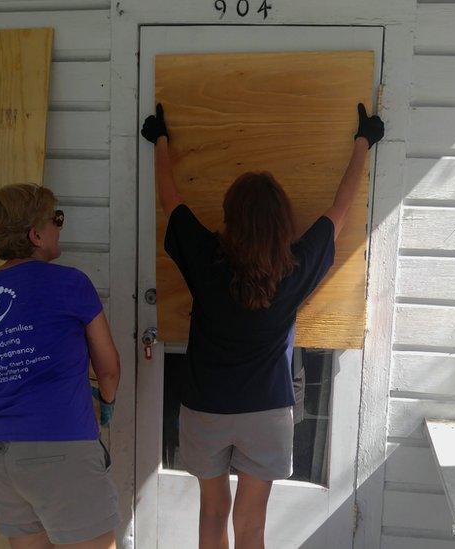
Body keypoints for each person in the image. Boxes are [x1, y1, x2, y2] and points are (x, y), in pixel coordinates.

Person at [141, 103, 384, 549]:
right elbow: (340, 207)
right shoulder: (293, 270)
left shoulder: (205, 259)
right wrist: (363, 142)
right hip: (267, 412)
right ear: (281, 222)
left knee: (212, 513)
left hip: (205, 407)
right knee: (251, 525)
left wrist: (160, 140)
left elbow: (170, 200)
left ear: (230, 218)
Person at [0, 183, 121, 549]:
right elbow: (109, 367)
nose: (60, 227)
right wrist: (108, 403)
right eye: (57, 219)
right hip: (61, 444)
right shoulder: (71, 283)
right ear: (36, 235)